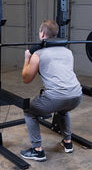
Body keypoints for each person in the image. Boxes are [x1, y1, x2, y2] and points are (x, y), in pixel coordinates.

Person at [20, 20, 82, 161]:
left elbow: (26, 79)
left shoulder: (38, 54)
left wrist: (26, 59)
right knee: (63, 109)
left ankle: (37, 150)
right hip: (76, 95)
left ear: (42, 34)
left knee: (29, 112)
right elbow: (67, 74)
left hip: (55, 98)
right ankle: (67, 143)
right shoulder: (68, 52)